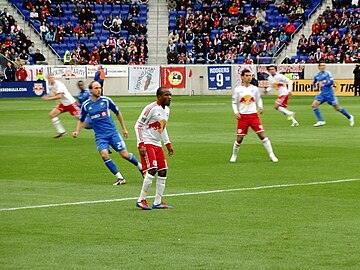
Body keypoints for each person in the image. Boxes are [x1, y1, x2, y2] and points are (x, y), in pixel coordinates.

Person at [73, 81, 142, 185]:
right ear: (91, 90)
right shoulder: (86, 105)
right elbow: (81, 119)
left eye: (99, 88)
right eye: (96, 88)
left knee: (124, 154)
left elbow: (118, 113)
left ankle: (141, 168)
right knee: (104, 154)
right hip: (100, 136)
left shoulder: (106, 100)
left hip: (112, 133)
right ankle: (120, 178)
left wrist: (124, 129)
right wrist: (77, 131)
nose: (99, 90)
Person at [134, 87, 174, 210]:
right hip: (146, 142)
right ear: (159, 97)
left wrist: (167, 143)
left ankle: (157, 201)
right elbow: (138, 125)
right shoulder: (150, 108)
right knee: (153, 169)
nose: (169, 97)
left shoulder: (167, 110)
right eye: (166, 95)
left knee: (163, 171)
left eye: (170, 95)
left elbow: (162, 127)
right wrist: (141, 144)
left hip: (157, 143)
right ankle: (141, 199)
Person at [230, 69, 278, 163]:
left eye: (250, 75)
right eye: (247, 75)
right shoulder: (238, 90)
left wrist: (260, 106)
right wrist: (236, 112)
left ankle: (272, 155)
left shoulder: (254, 88)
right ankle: (234, 155)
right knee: (239, 138)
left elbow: (258, 99)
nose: (249, 77)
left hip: (253, 116)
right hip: (243, 117)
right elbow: (234, 103)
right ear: (242, 77)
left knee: (261, 135)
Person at [312, 62, 354, 127]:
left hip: (330, 94)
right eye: (322, 65)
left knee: (337, 108)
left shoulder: (327, 73)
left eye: (324, 65)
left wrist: (324, 84)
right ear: (319, 67)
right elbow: (314, 82)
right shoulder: (317, 75)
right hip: (322, 94)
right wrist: (314, 87)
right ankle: (321, 121)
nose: (323, 67)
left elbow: (332, 82)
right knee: (314, 105)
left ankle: (350, 117)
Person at [42, 73, 81, 138]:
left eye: (52, 77)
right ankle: (61, 131)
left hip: (71, 103)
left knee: (81, 118)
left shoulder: (58, 84)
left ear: (54, 78)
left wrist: (48, 98)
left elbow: (59, 96)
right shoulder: (51, 85)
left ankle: (96, 124)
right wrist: (55, 101)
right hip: (64, 104)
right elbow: (55, 94)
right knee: (52, 114)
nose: (51, 79)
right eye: (50, 78)